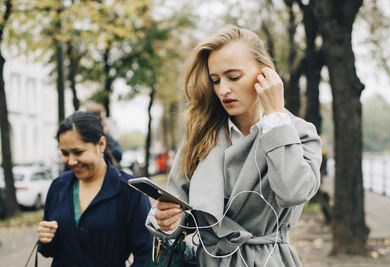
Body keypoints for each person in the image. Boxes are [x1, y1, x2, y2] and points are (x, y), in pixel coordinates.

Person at [146, 25, 322, 266]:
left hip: (268, 260)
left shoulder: (298, 132)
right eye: (215, 80)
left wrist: (275, 117)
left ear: (265, 74)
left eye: (234, 77)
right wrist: (166, 220)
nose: (223, 90)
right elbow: (177, 204)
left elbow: (293, 192)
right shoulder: (200, 136)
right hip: (208, 261)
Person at [37, 111, 152, 267]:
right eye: (64, 153)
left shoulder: (130, 191)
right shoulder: (58, 187)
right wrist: (45, 238)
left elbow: (146, 255)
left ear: (101, 144)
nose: (70, 161)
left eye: (78, 152)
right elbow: (49, 251)